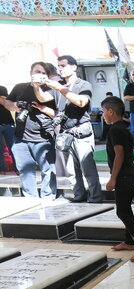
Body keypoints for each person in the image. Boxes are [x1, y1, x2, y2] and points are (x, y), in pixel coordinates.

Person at [33, 55, 102, 203]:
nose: (60, 69)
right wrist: (36, 86)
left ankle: (95, 197)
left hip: (81, 130)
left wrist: (60, 88)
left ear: (74, 67)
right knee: (71, 170)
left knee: (87, 167)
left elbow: (81, 101)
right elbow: (43, 98)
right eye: (58, 66)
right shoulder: (58, 84)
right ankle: (79, 195)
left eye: (63, 66)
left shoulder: (83, 84)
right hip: (65, 132)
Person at [101, 96, 134, 262]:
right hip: (129, 173)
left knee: (122, 211)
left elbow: (119, 155)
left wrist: (113, 179)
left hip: (125, 175)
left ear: (111, 111)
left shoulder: (115, 130)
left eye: (103, 111)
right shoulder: (122, 127)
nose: (103, 115)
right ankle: (129, 242)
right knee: (126, 209)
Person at [3, 63, 56, 197]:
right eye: (37, 72)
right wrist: (15, 106)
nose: (40, 75)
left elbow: (52, 107)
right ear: (30, 73)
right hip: (20, 137)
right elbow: (6, 103)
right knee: (25, 170)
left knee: (48, 169)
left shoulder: (52, 88)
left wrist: (37, 89)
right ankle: (30, 198)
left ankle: (48, 197)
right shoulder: (20, 87)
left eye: (44, 73)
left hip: (43, 136)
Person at [0, 85, 16, 174]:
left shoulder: (2, 88)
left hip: (9, 124)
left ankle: (17, 169)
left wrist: (3, 98)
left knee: (13, 148)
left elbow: (5, 101)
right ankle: (1, 170)